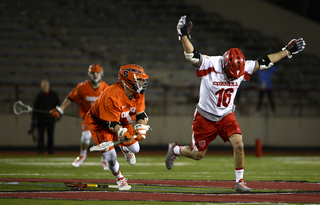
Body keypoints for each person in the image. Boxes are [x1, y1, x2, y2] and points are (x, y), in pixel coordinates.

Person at [165, 15, 306, 192]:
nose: (233, 77)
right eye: (231, 74)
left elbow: (265, 62)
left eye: (236, 75)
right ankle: (175, 149)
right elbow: (192, 56)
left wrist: (287, 51)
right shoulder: (211, 63)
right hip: (205, 117)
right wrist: (184, 35)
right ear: (224, 65)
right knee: (198, 155)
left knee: (239, 144)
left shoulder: (242, 68)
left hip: (226, 115)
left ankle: (239, 182)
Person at [85, 64, 151, 190]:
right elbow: (112, 124)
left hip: (122, 120)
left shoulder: (138, 92)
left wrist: (141, 129)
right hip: (100, 124)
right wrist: (121, 132)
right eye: (140, 80)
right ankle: (120, 179)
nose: (143, 82)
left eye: (143, 80)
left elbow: (140, 114)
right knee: (110, 157)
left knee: (136, 148)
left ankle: (125, 148)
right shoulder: (112, 95)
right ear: (129, 81)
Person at [50, 64, 109, 169]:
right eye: (93, 73)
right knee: (85, 137)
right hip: (88, 118)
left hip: (101, 119)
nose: (95, 75)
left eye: (97, 72)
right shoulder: (82, 87)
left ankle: (104, 159)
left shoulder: (106, 88)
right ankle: (82, 155)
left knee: (105, 140)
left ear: (101, 73)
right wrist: (60, 109)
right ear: (89, 74)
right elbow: (71, 97)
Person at [30, 79, 60, 154]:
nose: (45, 87)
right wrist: (33, 119)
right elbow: (35, 108)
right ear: (41, 87)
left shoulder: (53, 95)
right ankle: (40, 149)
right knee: (41, 136)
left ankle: (50, 149)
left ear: (49, 86)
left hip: (51, 119)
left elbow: (58, 106)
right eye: (43, 85)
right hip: (41, 119)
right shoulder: (39, 96)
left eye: (46, 85)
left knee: (50, 135)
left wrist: (58, 115)